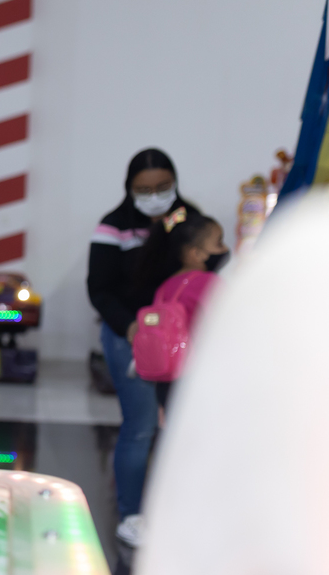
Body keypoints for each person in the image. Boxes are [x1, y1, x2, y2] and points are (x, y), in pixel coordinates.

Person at [87, 148, 201, 547]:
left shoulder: (187, 219)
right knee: (140, 425)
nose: (155, 197)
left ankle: (175, 511)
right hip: (129, 336)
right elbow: (99, 289)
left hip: (180, 339)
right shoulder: (114, 226)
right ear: (129, 188)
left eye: (163, 187)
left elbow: (203, 272)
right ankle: (131, 515)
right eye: (144, 190)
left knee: (181, 426)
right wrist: (130, 326)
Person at [135, 208, 228, 413]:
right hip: (197, 381)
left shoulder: (165, 286)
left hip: (166, 382)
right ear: (196, 254)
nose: (225, 249)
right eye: (219, 243)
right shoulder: (209, 282)